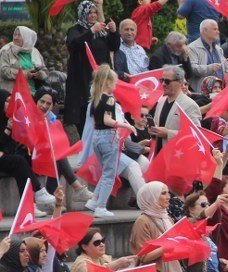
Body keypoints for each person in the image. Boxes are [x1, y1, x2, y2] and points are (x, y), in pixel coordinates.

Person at [87, 65, 138, 218]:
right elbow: (107, 119)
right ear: (108, 82)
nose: (116, 86)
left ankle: (94, 199)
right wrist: (126, 125)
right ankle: (101, 206)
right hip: (108, 137)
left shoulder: (95, 98)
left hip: (97, 137)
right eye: (115, 83)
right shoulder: (109, 99)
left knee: (106, 171)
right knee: (110, 173)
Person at [64, 0, 120, 135]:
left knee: (102, 104)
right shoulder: (75, 29)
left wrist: (113, 32)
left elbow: (113, 46)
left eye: (95, 12)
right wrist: (90, 31)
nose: (93, 15)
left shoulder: (102, 31)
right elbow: (74, 44)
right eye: (90, 13)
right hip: (83, 77)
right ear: (83, 13)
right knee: (85, 109)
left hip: (101, 77)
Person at [0, 90, 57, 215]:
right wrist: (8, 129)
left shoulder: (11, 118)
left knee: (23, 159)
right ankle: (38, 191)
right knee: (19, 161)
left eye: (11, 101)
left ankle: (29, 206)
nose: (10, 104)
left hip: (7, 156)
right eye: (7, 101)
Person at [33, 87, 94, 200]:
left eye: (48, 103)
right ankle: (78, 188)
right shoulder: (30, 118)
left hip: (49, 155)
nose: (44, 106)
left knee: (58, 156)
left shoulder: (53, 121)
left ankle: (53, 197)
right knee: (58, 156)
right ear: (36, 101)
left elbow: (58, 142)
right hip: (33, 155)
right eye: (42, 101)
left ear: (52, 106)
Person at [149, 65, 202, 153]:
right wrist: (153, 131)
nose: (163, 84)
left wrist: (168, 133)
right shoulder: (161, 101)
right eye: (162, 80)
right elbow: (157, 125)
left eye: (167, 81)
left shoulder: (190, 105)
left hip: (177, 157)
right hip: (158, 155)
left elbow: (196, 135)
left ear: (180, 82)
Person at [187, 19, 228, 93]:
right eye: (215, 29)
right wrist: (210, 68)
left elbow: (226, 69)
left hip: (221, 91)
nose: (218, 32)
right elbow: (192, 69)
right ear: (204, 31)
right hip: (203, 93)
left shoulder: (219, 49)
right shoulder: (192, 48)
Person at [0, 26, 47, 93]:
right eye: (15, 34)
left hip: (32, 92)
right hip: (13, 93)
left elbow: (45, 71)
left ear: (27, 37)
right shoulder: (6, 51)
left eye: (19, 35)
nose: (15, 38)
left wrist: (39, 74)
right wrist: (25, 74)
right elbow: (4, 71)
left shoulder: (35, 52)